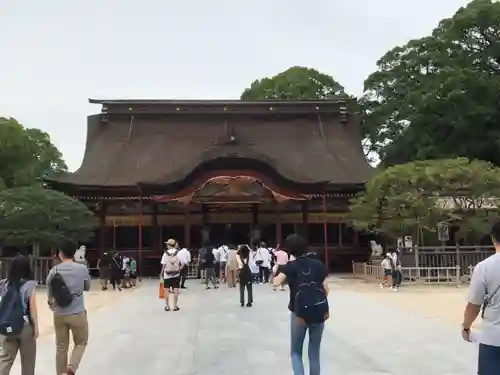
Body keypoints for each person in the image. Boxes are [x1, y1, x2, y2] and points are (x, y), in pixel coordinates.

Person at [274, 234, 329, 375]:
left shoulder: (290, 267)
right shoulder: (318, 264)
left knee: (296, 352)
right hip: (318, 310)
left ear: (290, 251)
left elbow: (276, 282)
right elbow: (326, 290)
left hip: (299, 312)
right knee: (314, 352)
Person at [47, 240, 91, 375]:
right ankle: (70, 369)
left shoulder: (53, 271)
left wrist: (52, 305)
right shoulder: (82, 269)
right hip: (77, 313)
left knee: (61, 347)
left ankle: (60, 373)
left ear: (60, 253)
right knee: (81, 342)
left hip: (59, 314)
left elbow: (50, 297)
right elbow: (87, 287)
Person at [462, 221, 500, 375]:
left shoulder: (484, 267)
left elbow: (473, 306)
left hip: (493, 338)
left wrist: (466, 327)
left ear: (493, 238)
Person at [0, 255, 38, 375]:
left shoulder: (3, 284)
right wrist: (36, 327)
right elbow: (32, 310)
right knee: (28, 362)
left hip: (7, 325)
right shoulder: (29, 285)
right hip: (25, 326)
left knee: (5, 360)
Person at [161, 239, 181, 311]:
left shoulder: (165, 253)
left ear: (169, 245)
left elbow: (164, 264)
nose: (166, 245)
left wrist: (161, 273)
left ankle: (167, 306)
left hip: (167, 274)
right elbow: (181, 262)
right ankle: (175, 306)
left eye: (167, 244)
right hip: (176, 274)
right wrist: (179, 269)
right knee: (176, 290)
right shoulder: (178, 253)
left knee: (166, 290)